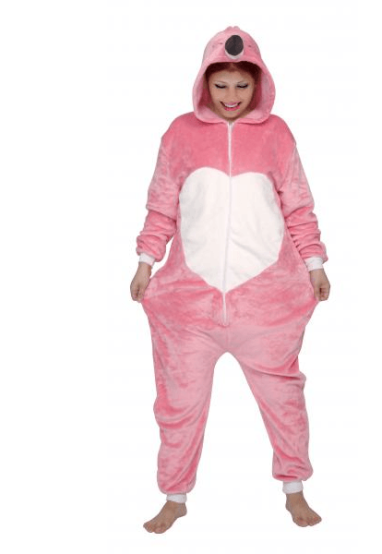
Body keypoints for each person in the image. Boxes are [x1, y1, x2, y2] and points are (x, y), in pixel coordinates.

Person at [130, 26, 331, 533]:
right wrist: (146, 261)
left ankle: (294, 488)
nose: (232, 96)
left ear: (258, 83)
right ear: (204, 83)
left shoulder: (277, 134)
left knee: (284, 399)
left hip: (266, 303)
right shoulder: (179, 134)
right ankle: (175, 496)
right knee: (177, 404)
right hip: (189, 306)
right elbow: (162, 205)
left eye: (242, 85)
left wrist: (315, 263)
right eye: (221, 85)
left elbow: (298, 205)